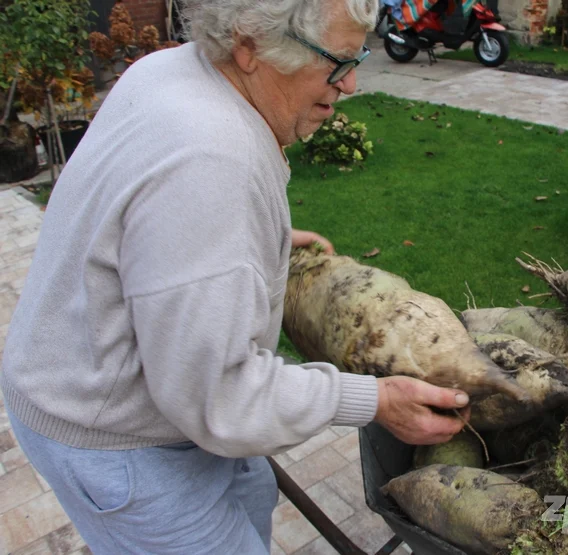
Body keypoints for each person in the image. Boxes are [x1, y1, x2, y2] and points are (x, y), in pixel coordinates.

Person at [0, 0, 472, 552]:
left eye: (357, 57)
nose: (351, 85)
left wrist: (249, 244)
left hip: (140, 385)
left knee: (250, 497)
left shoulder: (171, 68)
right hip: (115, 436)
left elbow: (151, 219)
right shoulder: (210, 161)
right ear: (249, 45)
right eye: (337, 62)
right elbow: (221, 401)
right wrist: (376, 401)